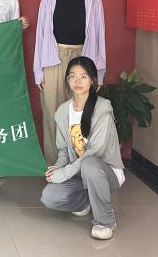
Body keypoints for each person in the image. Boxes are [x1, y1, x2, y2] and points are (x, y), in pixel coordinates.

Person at [33, 0, 106, 166]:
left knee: (81, 114)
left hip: (84, 59)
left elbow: (100, 38)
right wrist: (38, 71)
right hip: (53, 59)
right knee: (53, 114)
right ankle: (54, 166)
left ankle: (79, 166)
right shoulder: (47, 1)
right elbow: (40, 37)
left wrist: (99, 73)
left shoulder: (94, 1)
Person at [40, 57, 124, 240]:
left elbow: (95, 152)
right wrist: (58, 167)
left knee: (89, 163)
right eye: (72, 76)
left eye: (83, 77)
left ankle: (105, 221)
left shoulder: (102, 109)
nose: (77, 81)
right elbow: (63, 150)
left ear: (93, 81)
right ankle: (85, 202)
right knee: (49, 197)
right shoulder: (63, 112)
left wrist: (64, 174)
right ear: (67, 80)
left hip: (106, 172)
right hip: (79, 172)